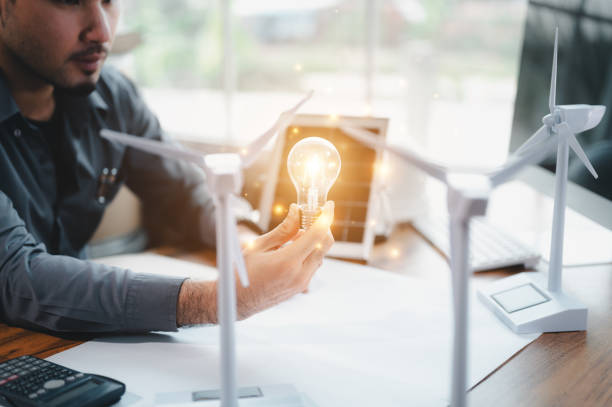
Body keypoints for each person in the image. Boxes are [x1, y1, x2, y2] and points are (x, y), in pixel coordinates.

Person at [0, 0, 334, 333]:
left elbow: (186, 188)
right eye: (70, 1)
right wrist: (213, 300)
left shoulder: (113, 96)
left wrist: (242, 239)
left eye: (109, 1)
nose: (102, 31)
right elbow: (17, 274)